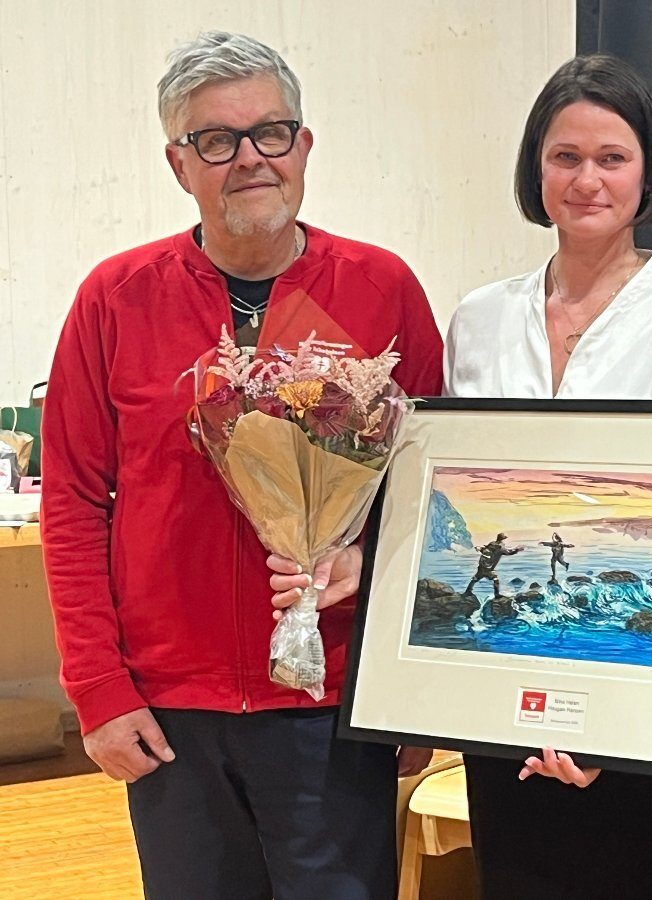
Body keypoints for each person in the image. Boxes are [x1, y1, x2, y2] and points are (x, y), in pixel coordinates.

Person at [39, 32, 443, 900]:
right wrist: (99, 691)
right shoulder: (113, 299)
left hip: (330, 707)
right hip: (171, 716)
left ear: (304, 145)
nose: (249, 158)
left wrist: (409, 688)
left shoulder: (385, 291)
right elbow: (72, 503)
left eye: (271, 132)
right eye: (215, 141)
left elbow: (426, 501)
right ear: (179, 164)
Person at [445, 54, 652, 899]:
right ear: (535, 167)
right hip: (504, 710)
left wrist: (610, 730)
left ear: (647, 170)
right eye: (565, 156)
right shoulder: (477, 320)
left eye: (612, 158)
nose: (587, 180)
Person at [464, 532, 523, 597]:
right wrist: (517, 550)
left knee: (475, 578)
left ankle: (468, 591)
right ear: (502, 540)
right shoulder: (501, 548)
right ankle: (496, 594)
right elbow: (509, 553)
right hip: (489, 569)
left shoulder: (491, 544)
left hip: (481, 567)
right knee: (495, 579)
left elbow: (484, 549)